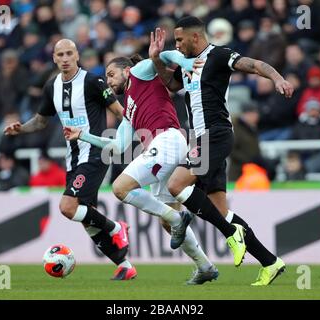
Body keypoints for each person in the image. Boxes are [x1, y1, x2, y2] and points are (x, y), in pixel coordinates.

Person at [150, 17, 293, 285]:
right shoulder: (188, 64)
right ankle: (270, 262)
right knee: (221, 211)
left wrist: (277, 78)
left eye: (180, 40)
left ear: (195, 37)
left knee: (176, 185)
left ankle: (230, 234)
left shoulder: (218, 55)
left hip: (215, 135)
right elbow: (171, 85)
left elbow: (254, 64)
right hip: (201, 140)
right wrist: (157, 58)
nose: (177, 45)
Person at [64, 52, 219, 285]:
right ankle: (204, 266)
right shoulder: (129, 109)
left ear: (126, 71)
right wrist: (83, 136)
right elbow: (116, 147)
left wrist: (186, 63)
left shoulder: (139, 74)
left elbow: (164, 56)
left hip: (166, 140)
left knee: (120, 188)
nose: (109, 81)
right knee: (165, 222)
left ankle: (178, 219)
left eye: (111, 74)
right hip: (166, 148)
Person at [3, 39, 136, 281]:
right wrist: (21, 128)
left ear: (77, 56)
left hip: (95, 153)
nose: (65, 58)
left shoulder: (93, 81)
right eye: (60, 54)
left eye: (69, 53)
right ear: (54, 58)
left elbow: (121, 112)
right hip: (73, 159)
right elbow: (42, 120)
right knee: (88, 219)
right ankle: (125, 265)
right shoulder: (51, 86)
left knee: (67, 207)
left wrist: (118, 143)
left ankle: (117, 227)